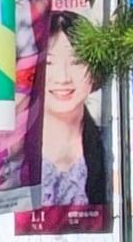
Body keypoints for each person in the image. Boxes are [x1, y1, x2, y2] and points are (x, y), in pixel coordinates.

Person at [40, 14, 107, 208]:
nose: (63, 77)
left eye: (76, 62)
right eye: (48, 63)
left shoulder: (110, 145)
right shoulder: (12, 152)